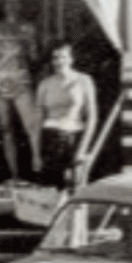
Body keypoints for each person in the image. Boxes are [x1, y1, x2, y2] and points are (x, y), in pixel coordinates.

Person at [0, 0, 40, 181]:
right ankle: (14, 174)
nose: (11, 5)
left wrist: (31, 43)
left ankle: (37, 164)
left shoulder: (28, 27)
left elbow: (34, 58)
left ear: (21, 5)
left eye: (15, 2)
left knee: (31, 125)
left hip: (21, 78)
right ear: (4, 5)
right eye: (8, 2)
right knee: (6, 129)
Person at [32, 44, 98, 189]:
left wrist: (83, 148)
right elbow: (37, 123)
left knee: (76, 186)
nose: (59, 61)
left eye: (63, 57)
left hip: (74, 136)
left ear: (71, 59)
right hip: (50, 138)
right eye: (55, 58)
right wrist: (36, 154)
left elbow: (92, 117)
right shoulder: (45, 84)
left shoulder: (84, 81)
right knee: (52, 189)